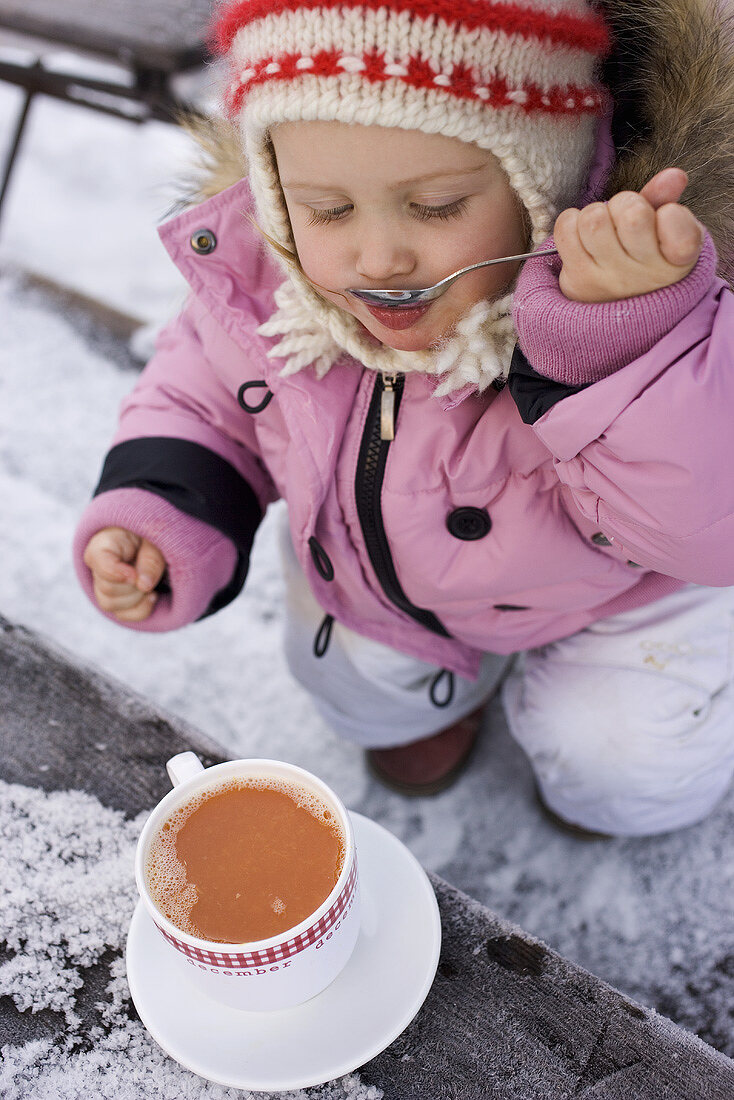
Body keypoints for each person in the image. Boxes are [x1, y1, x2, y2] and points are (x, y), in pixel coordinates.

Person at [74, 0, 734, 836]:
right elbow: (204, 390)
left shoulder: (654, 301)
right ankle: (429, 705)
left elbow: (713, 524)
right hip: (385, 578)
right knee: (360, 685)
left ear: (552, 183)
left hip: (626, 587)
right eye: (329, 209)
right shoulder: (284, 289)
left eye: (435, 207)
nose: (378, 258)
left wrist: (619, 346)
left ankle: (601, 796)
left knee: (620, 751)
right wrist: (167, 499)